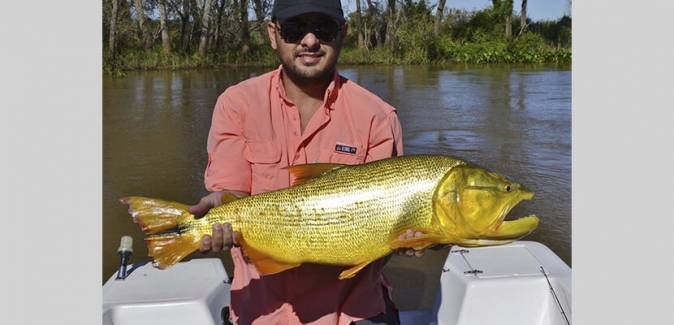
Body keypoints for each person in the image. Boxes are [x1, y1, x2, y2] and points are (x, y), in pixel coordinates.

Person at [188, 0, 425, 324]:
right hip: (261, 312)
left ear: (342, 34)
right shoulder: (236, 105)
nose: (310, 40)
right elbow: (232, 196)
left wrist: (412, 235)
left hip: (355, 313)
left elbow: (385, 226)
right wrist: (220, 210)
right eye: (296, 27)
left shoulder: (378, 117)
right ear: (273, 33)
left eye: (324, 28)